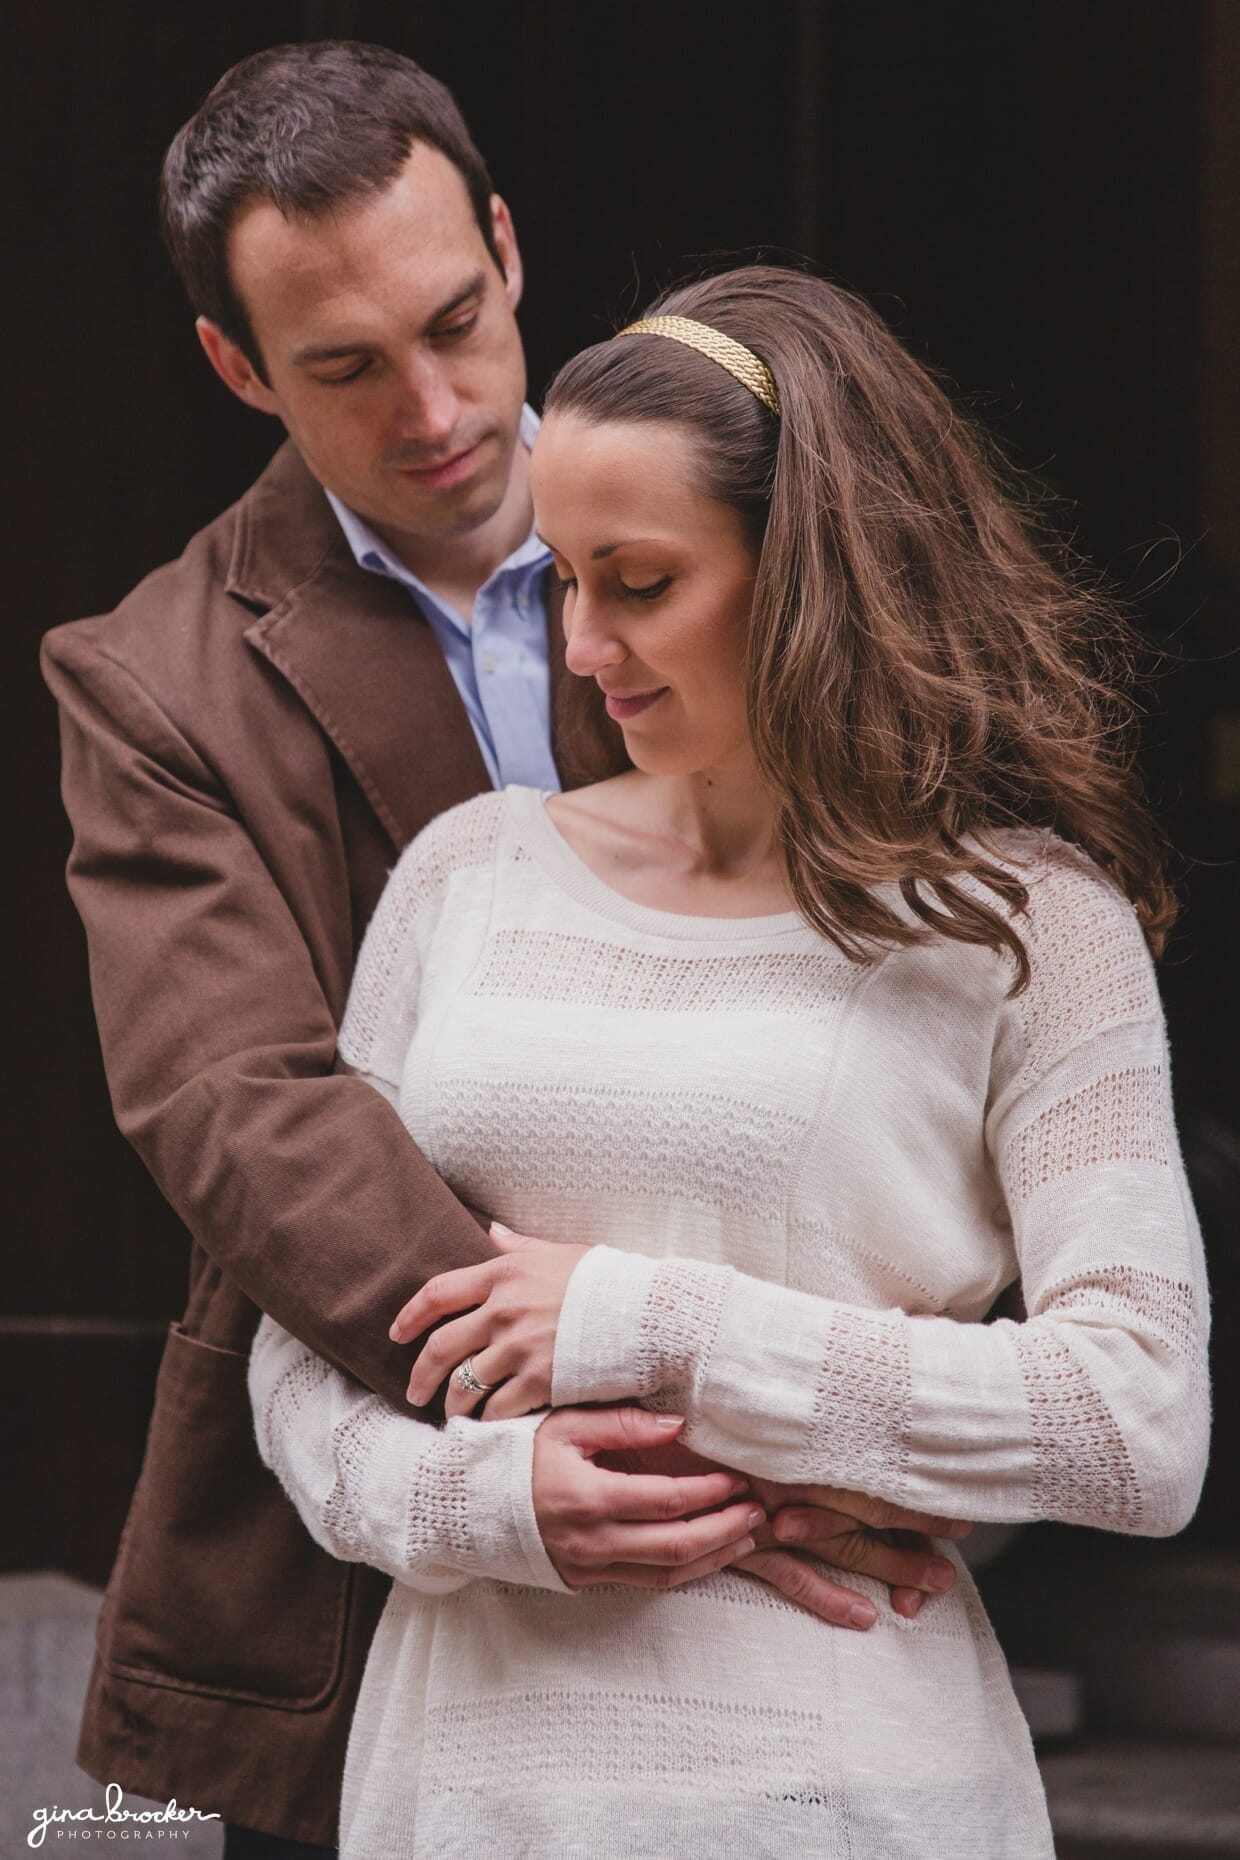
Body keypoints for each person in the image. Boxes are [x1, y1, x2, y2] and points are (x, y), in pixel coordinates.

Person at [40, 45, 956, 1860]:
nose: (437, 405)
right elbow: (244, 1111)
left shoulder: (760, 517)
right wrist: (637, 1401)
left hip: (805, 1465)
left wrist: (809, 1397)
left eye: (457, 321)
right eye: (344, 367)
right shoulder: (152, 681)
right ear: (237, 366)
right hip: (382, 1500)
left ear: (512, 248)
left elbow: (914, 953)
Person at [249, 266, 1211, 1858]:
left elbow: (1135, 1419)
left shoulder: (1030, 925)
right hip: (467, 1790)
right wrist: (498, 1504)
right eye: (563, 580)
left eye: (638, 582)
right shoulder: (466, 877)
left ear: (812, 575)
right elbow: (303, 1341)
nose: (581, 645)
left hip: (844, 1795)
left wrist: (647, 1324)